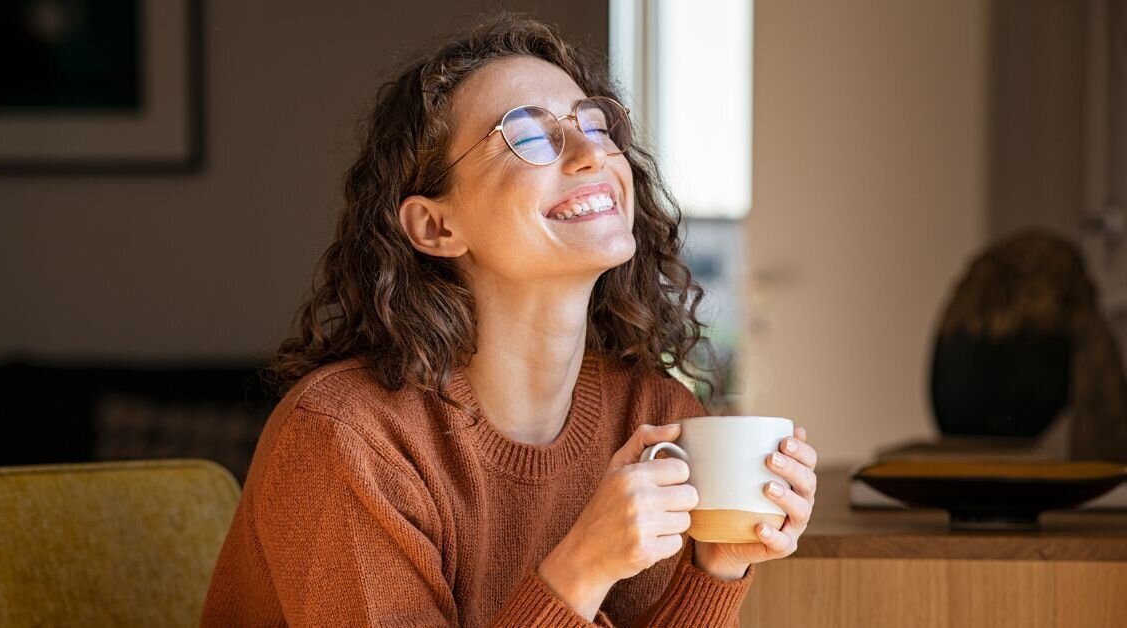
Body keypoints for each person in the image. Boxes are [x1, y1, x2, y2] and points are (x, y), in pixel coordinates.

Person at [201, 12, 818, 627]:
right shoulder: (347, 439)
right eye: (526, 135)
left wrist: (716, 570)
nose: (589, 155)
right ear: (436, 226)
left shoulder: (655, 418)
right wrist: (581, 569)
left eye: (595, 125)